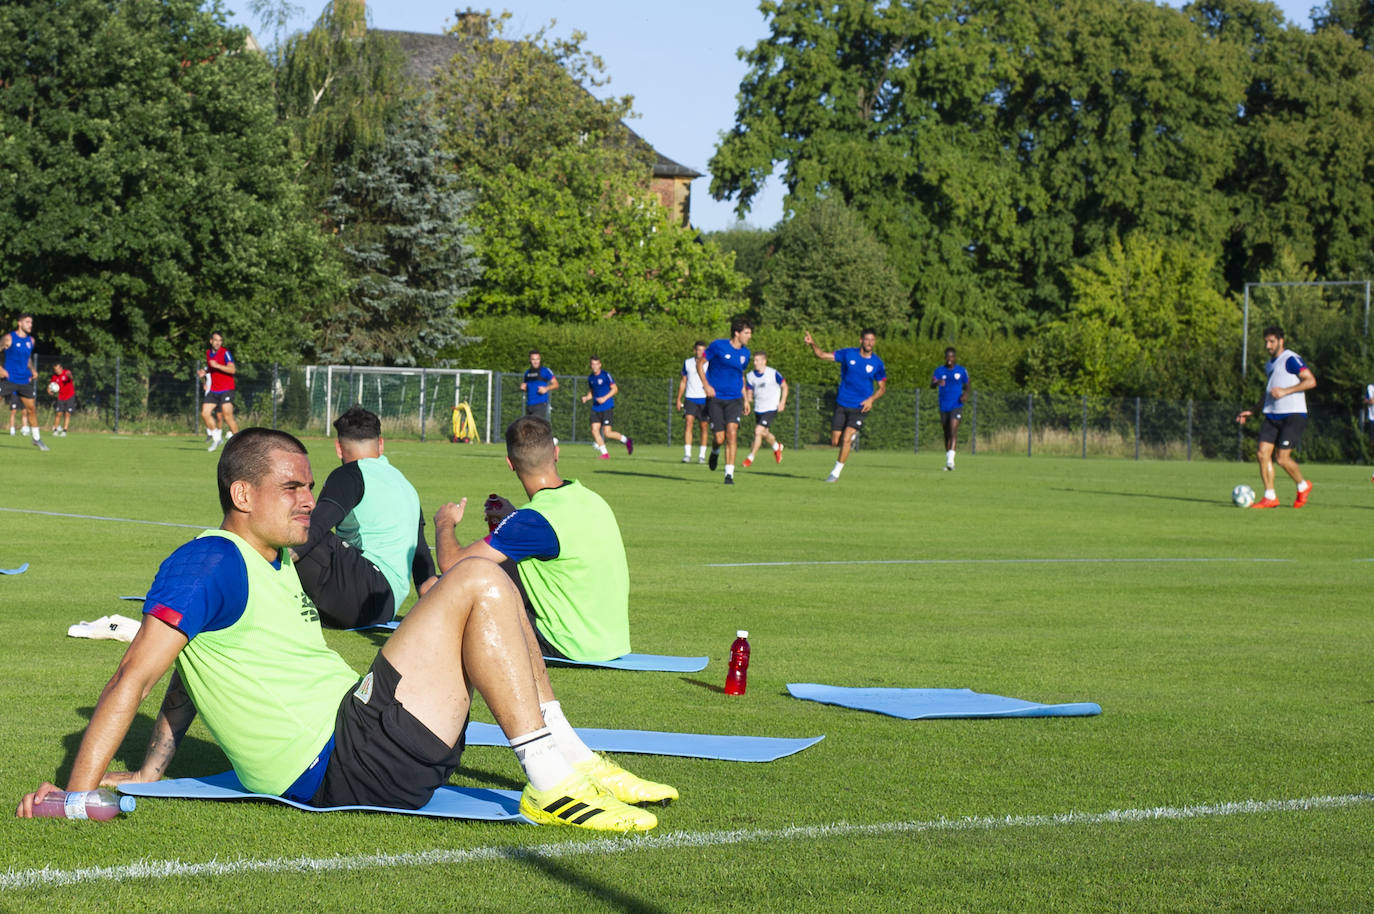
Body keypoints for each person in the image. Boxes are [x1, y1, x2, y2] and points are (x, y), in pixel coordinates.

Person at [16, 428, 668, 831]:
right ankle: (553, 778)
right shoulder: (207, 559)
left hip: (369, 738)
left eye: (308, 484)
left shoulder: (270, 564)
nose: (308, 498)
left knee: (488, 584)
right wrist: (77, 795)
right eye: (290, 487)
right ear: (242, 496)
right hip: (347, 761)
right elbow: (133, 676)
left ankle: (572, 762)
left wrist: (154, 768)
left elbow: (193, 671)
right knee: (482, 580)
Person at [434, 415, 631, 664]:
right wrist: (513, 518)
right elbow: (548, 534)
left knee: (436, 587)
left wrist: (444, 523)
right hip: (611, 642)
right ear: (556, 453)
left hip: (567, 645)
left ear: (510, 463)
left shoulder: (532, 522)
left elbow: (452, 564)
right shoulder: (591, 498)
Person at [292, 406, 438, 630]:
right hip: (385, 607)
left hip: (361, 593)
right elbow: (423, 565)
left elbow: (317, 526)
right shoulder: (406, 486)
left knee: (293, 523)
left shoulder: (349, 474)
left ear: (339, 448)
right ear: (381, 444)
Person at [1235, 326, 1315, 509]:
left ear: (1281, 341)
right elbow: (1269, 392)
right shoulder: (1269, 364)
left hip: (1293, 414)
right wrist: (1253, 410)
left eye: (1271, 341)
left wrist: (1286, 391)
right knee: (1262, 454)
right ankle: (1270, 496)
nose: (1268, 345)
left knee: (1282, 458)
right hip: (1272, 414)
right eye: (1266, 342)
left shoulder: (1291, 359)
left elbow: (1311, 381)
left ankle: (1303, 485)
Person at [805, 328, 887, 482]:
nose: (869, 342)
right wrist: (812, 344)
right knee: (835, 441)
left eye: (872, 340)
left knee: (846, 437)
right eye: (867, 339)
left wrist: (871, 399)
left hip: (860, 407)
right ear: (860, 340)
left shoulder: (877, 363)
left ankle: (835, 473)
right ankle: (848, 441)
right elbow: (821, 355)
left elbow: (882, 388)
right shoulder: (848, 354)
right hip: (842, 404)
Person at [699, 317, 753, 485]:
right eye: (747, 333)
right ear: (737, 333)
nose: (749, 336)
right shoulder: (717, 346)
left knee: (732, 434)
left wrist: (745, 399)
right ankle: (715, 450)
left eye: (750, 333)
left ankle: (729, 474)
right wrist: (706, 385)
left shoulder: (746, 353)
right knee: (720, 438)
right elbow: (700, 364)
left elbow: (740, 375)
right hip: (715, 398)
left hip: (735, 399)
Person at [1, 314, 47, 451]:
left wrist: (32, 369)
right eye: (27, 322)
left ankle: (36, 438)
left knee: (31, 409)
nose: (30, 325)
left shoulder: (31, 341)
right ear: (19, 323)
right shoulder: (9, 338)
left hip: (24, 381)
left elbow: (27, 358)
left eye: (31, 322)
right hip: (8, 379)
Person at [580, 355, 633, 459]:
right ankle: (605, 454)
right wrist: (587, 397)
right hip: (596, 408)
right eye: (592, 364)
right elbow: (592, 392)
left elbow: (615, 389)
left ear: (600, 365)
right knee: (594, 430)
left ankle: (627, 440)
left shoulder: (605, 375)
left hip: (607, 406)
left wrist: (604, 398)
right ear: (590, 365)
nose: (594, 366)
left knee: (607, 433)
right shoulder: (590, 378)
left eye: (596, 364)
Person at [743, 352, 787, 468]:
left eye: (758, 360)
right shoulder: (750, 376)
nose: (755, 363)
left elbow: (785, 386)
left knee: (758, 431)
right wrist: (747, 401)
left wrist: (782, 402)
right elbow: (749, 391)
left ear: (764, 361)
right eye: (754, 360)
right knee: (764, 433)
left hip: (771, 407)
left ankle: (750, 458)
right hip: (759, 408)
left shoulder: (773, 373)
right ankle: (777, 447)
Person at [931, 347, 971, 471]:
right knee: (946, 433)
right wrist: (937, 383)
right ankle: (948, 460)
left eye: (952, 357)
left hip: (957, 405)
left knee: (953, 431)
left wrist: (965, 394)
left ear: (955, 358)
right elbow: (932, 384)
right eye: (947, 357)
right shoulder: (939, 371)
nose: (949, 359)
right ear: (945, 358)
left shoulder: (961, 370)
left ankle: (950, 461)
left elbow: (968, 385)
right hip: (944, 405)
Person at [199, 331, 239, 452]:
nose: (218, 343)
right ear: (211, 341)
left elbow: (232, 370)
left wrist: (218, 366)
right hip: (214, 390)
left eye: (220, 340)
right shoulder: (208, 353)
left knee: (227, 417)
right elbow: (211, 368)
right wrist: (205, 372)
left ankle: (239, 444)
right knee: (205, 413)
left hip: (227, 389)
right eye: (216, 340)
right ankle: (217, 438)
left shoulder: (225, 353)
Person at [676, 341, 711, 464]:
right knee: (688, 423)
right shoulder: (688, 363)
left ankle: (702, 455)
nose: (700, 352)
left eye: (703, 350)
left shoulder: (709, 363)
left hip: (704, 399)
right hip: (690, 398)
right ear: (694, 351)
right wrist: (679, 398)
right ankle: (687, 454)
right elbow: (683, 381)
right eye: (698, 350)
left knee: (703, 427)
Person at [520, 349, 559, 421]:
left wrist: (546, 388)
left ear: (540, 359)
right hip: (529, 405)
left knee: (534, 425)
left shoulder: (545, 371)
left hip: (540, 404)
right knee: (529, 428)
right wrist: (523, 388)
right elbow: (527, 388)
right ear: (529, 360)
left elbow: (556, 384)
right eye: (533, 359)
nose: (535, 362)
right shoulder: (527, 373)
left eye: (537, 359)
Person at [49, 362, 76, 436]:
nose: (56, 371)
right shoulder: (54, 376)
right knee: (58, 414)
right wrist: (49, 391)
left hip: (70, 396)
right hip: (61, 397)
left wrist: (69, 375)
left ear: (61, 368)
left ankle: (64, 431)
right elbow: (51, 385)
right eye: (55, 370)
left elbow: (71, 377)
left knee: (67, 414)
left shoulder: (66, 373)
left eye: (57, 369)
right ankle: (55, 430)